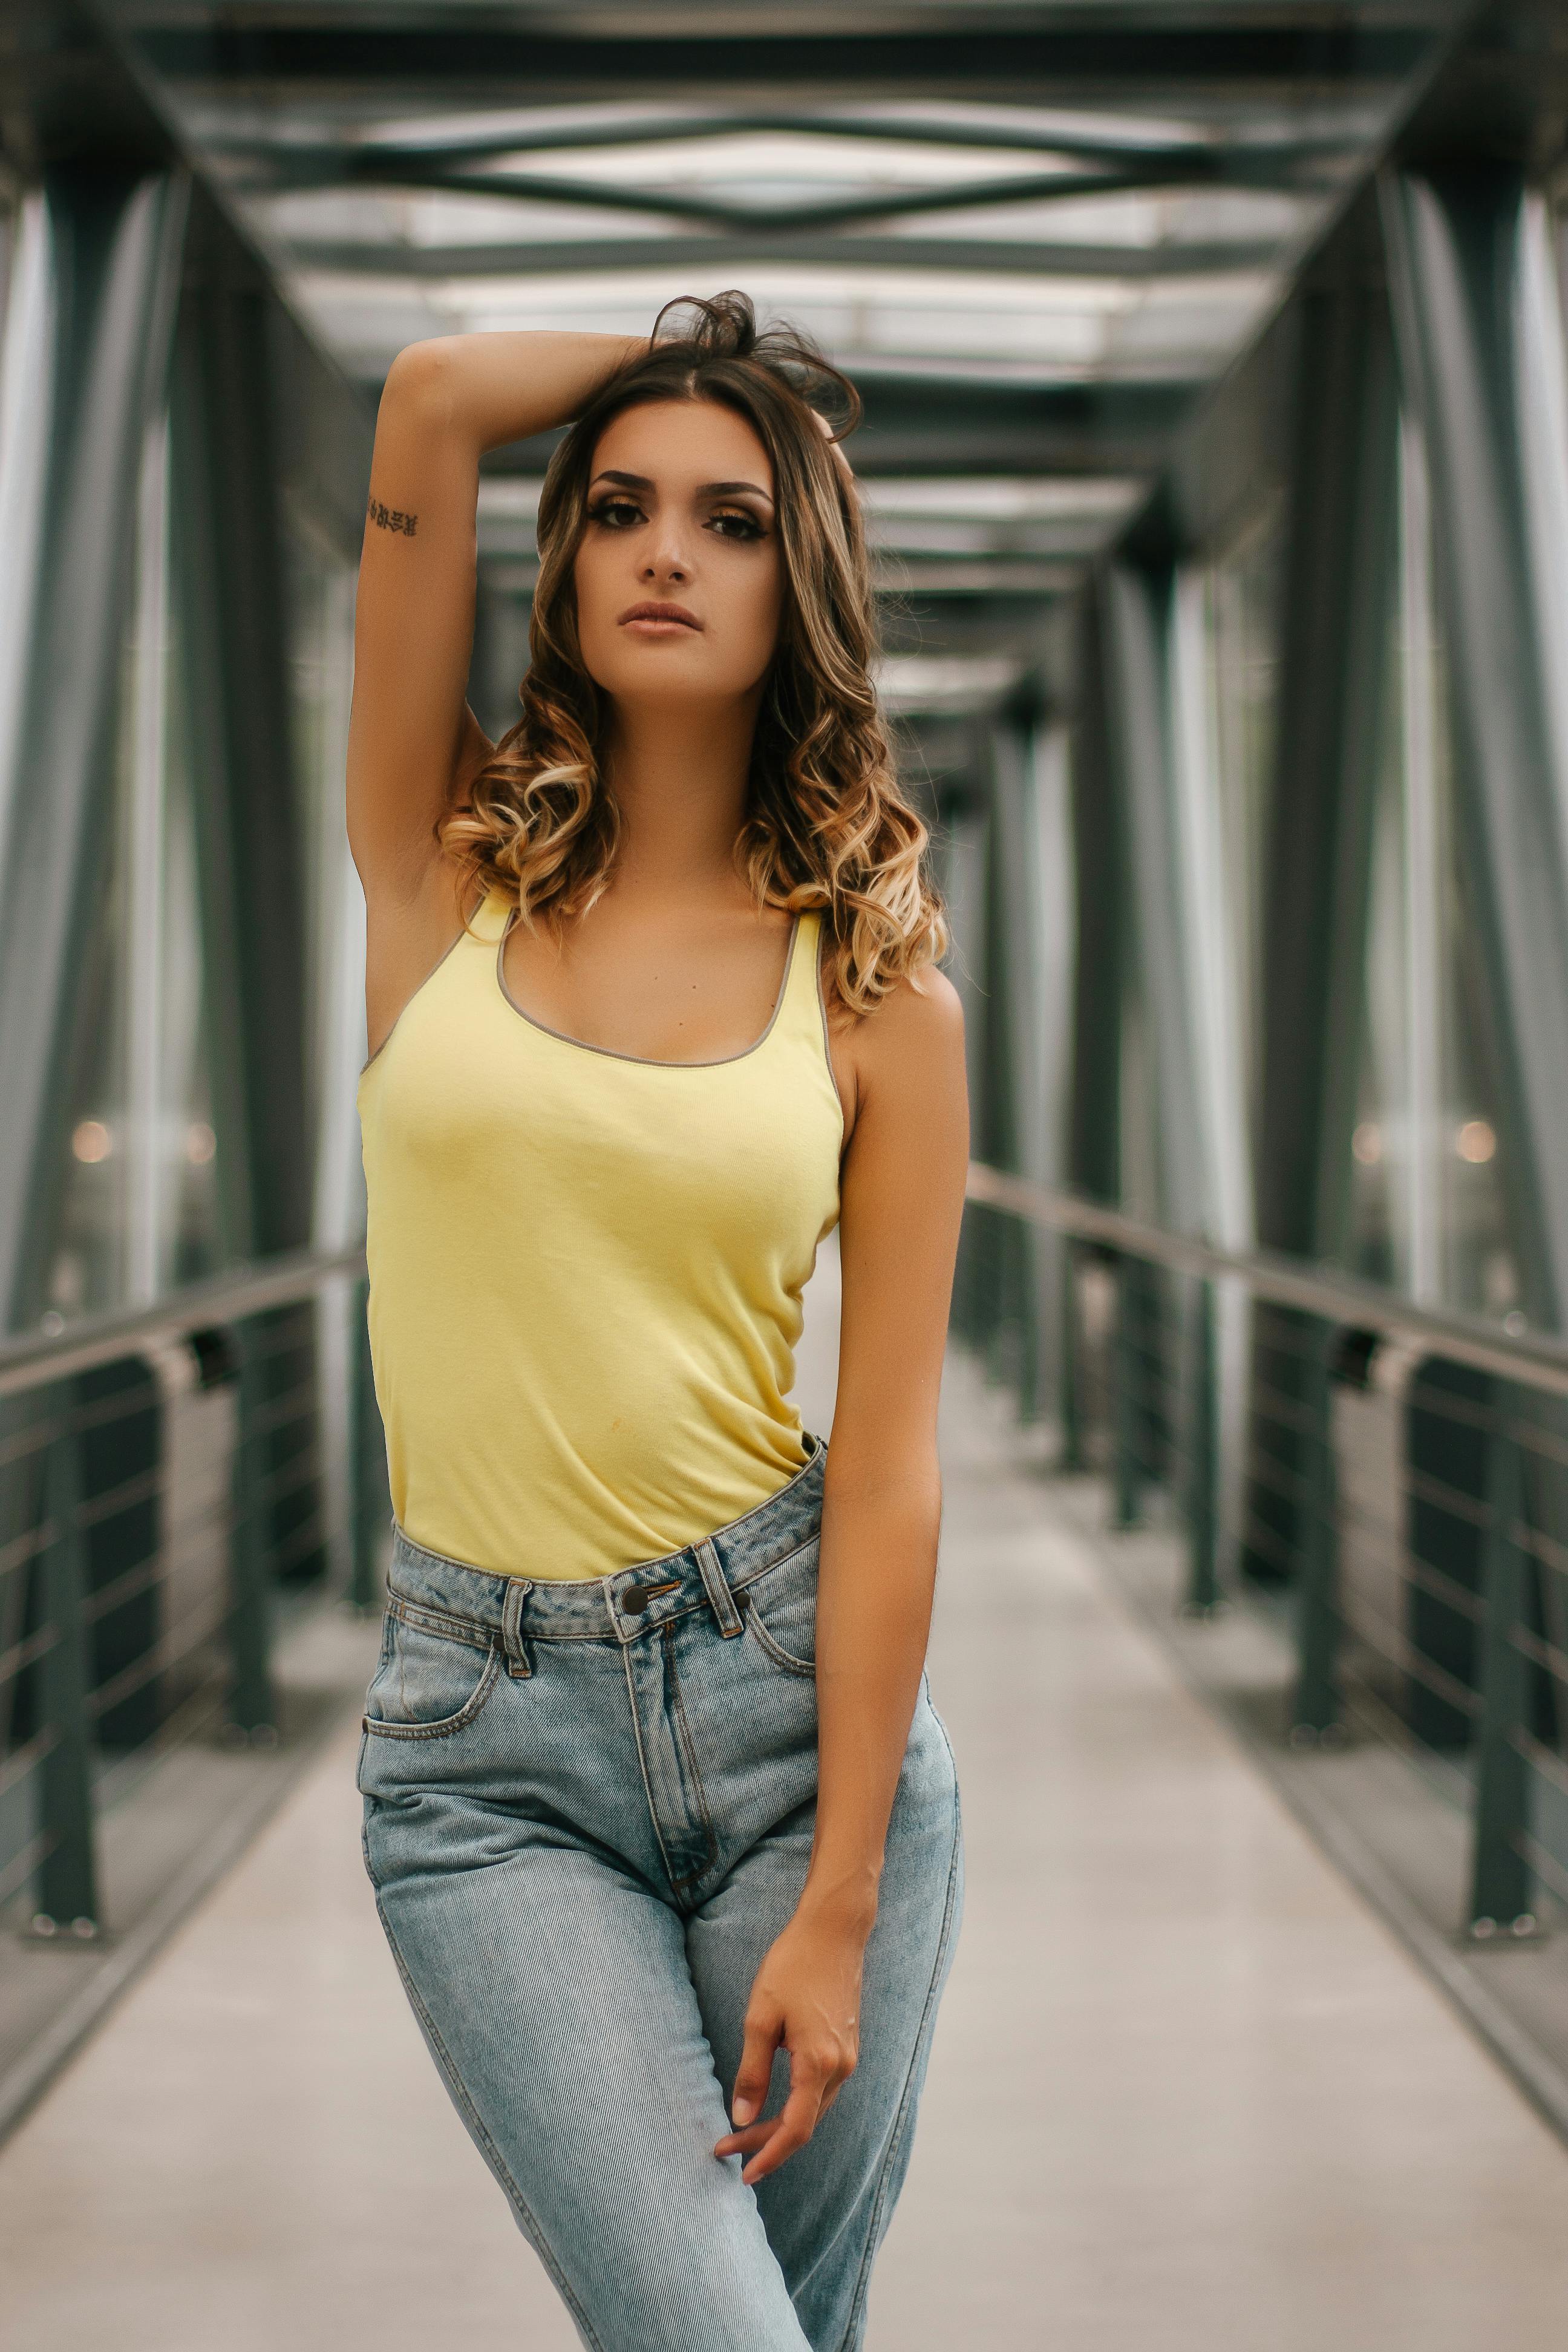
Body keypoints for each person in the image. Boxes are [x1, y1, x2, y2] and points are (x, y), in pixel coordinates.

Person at [346, 290, 969, 2352]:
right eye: (621, 509)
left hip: (790, 1718)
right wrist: (715, 337)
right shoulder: (443, 872)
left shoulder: (878, 1000)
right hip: (479, 1756)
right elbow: (430, 399)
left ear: (802, 583)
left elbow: (887, 1467)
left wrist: (848, 1901)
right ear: (568, 560)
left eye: (728, 518)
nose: (666, 553)